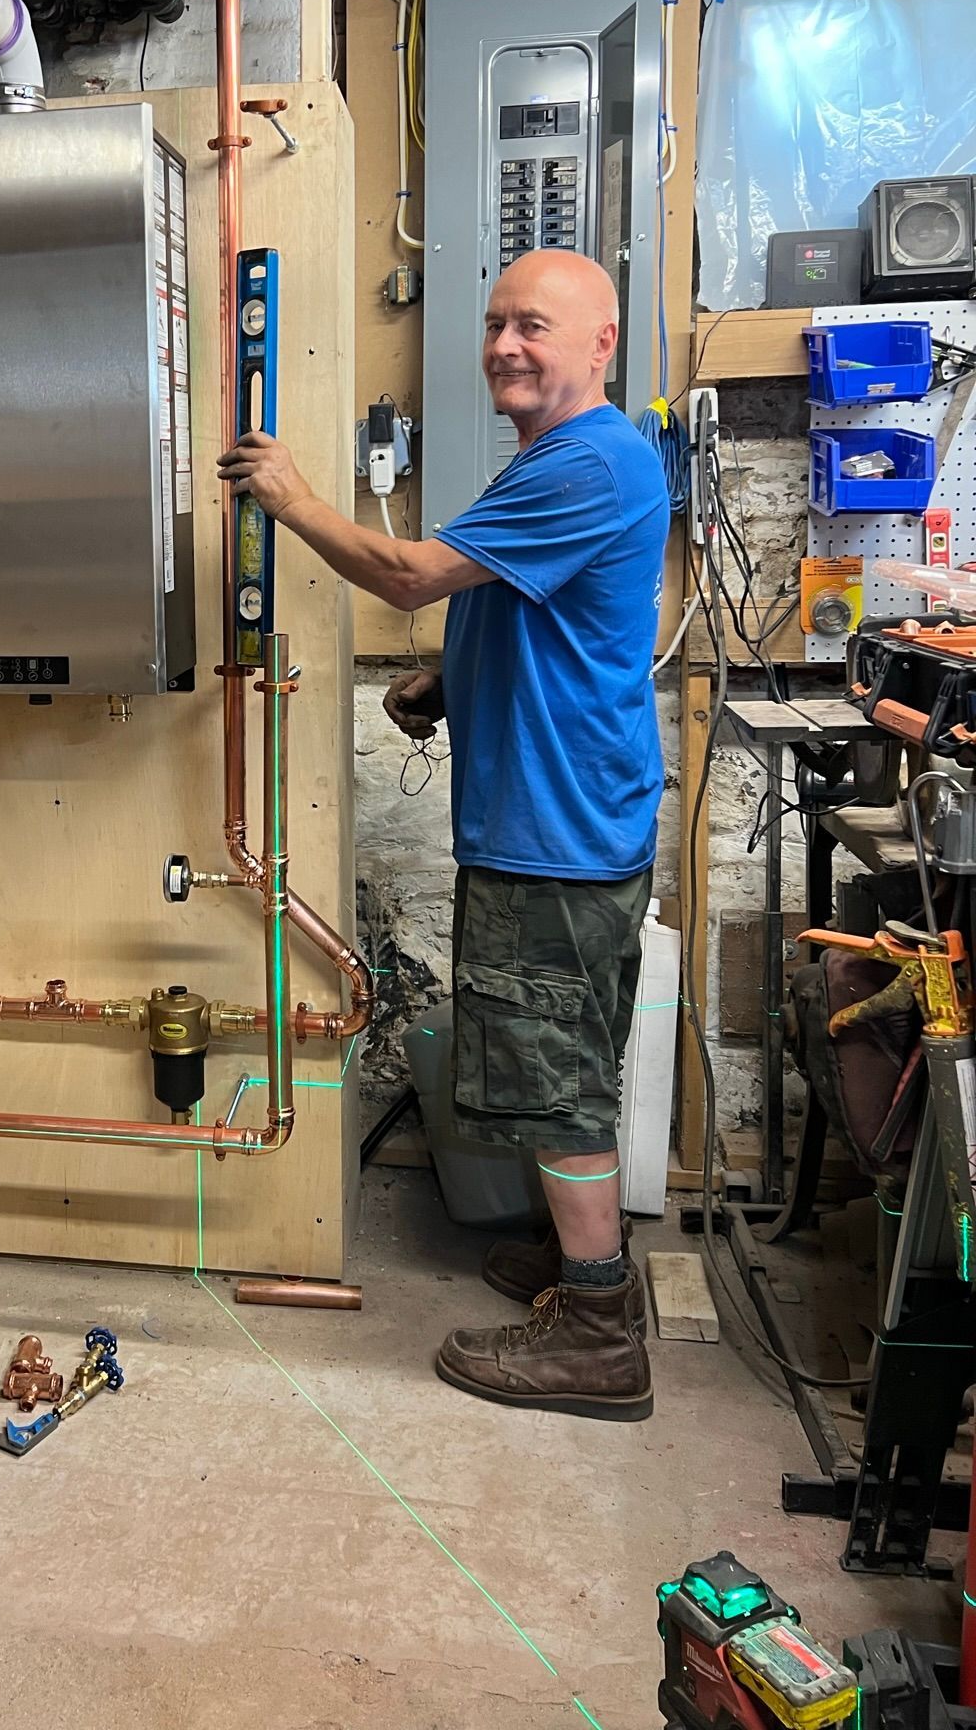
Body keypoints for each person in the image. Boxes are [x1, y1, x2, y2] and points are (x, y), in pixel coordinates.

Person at [218, 248, 669, 1423]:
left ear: (601, 343)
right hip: (569, 816)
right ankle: (586, 1265)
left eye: (537, 326)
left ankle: (599, 1326)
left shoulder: (586, 461)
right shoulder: (570, 459)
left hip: (553, 833)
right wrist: (451, 682)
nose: (508, 345)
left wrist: (295, 497)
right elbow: (538, 615)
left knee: (557, 1078)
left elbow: (416, 572)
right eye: (496, 323)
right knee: (562, 1058)